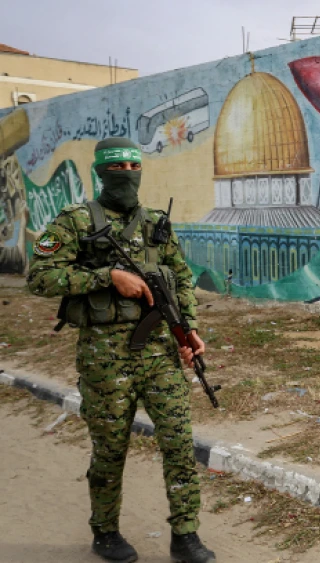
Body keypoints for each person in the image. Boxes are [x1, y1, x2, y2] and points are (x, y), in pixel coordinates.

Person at [26, 138, 216, 563]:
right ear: (101, 171)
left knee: (179, 445)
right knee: (110, 450)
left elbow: (181, 280)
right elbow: (39, 276)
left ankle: (185, 535)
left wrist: (190, 331)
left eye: (134, 164)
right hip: (105, 358)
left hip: (161, 355)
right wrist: (107, 277)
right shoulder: (75, 221)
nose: (127, 172)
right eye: (118, 166)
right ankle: (105, 531)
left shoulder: (156, 223)